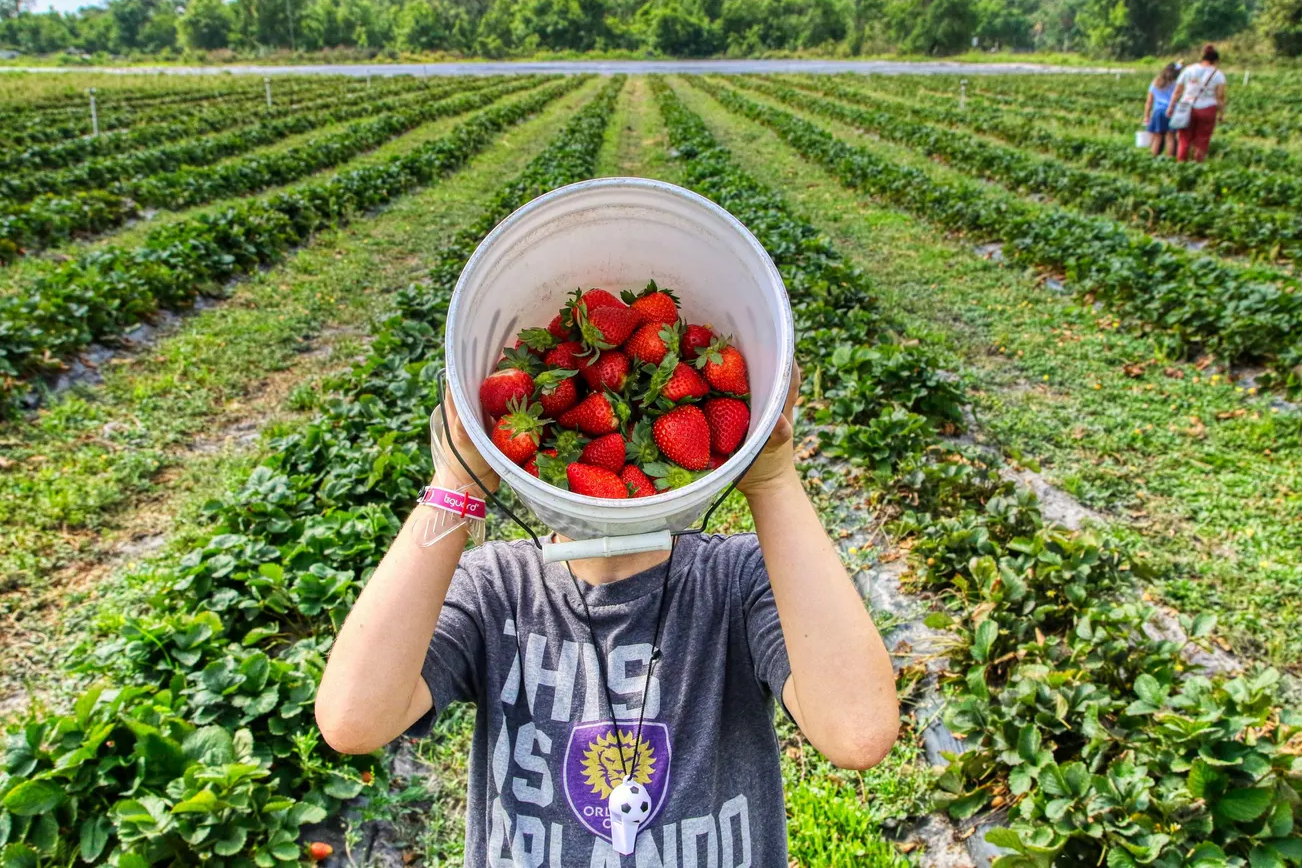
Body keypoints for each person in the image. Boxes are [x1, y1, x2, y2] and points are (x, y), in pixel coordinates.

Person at [315, 367, 901, 865]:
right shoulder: (495, 587)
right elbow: (353, 720)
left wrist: (772, 480)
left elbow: (858, 731)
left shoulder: (738, 581)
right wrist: (454, 480)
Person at [1168, 44, 1227, 163]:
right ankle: (1198, 165)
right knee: (1202, 140)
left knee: (1184, 139)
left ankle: (1181, 164)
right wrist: (1221, 113)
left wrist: (1171, 106)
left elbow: (1178, 90)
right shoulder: (1218, 74)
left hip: (1187, 107)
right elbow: (1220, 96)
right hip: (1207, 109)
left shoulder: (1189, 70)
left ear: (1202, 58)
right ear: (1215, 60)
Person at [1142, 62, 1180, 157]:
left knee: (1157, 137)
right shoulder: (1177, 83)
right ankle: (1169, 158)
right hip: (1172, 111)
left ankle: (1153, 158)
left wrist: (1146, 115)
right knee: (1170, 137)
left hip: (1158, 111)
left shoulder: (1156, 82)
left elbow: (1149, 101)